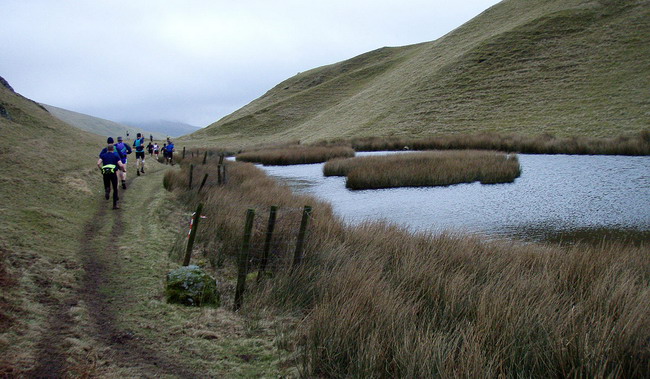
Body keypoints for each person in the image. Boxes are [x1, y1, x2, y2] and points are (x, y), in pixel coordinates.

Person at [98, 142, 126, 209]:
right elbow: (120, 164)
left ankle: (107, 190)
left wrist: (101, 169)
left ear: (107, 149)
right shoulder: (116, 155)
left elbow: (98, 163)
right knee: (115, 189)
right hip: (113, 173)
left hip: (105, 173)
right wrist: (123, 169)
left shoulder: (103, 155)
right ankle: (115, 205)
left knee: (107, 185)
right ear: (113, 149)